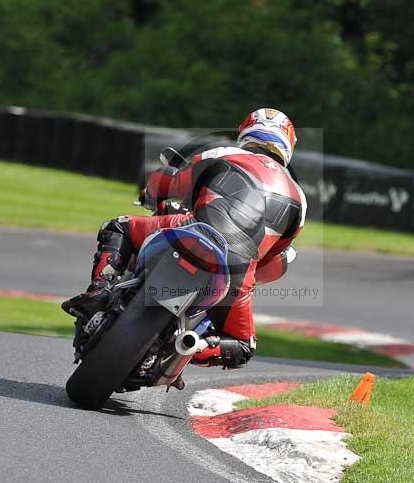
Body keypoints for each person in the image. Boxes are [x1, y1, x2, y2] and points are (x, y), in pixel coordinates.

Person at [62, 108, 306, 369]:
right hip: (239, 267)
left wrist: (150, 193)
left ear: (245, 133)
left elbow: (171, 183)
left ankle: (100, 290)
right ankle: (184, 349)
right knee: (243, 346)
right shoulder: (299, 200)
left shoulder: (224, 153)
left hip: (192, 229)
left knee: (119, 227)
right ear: (287, 145)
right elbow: (275, 257)